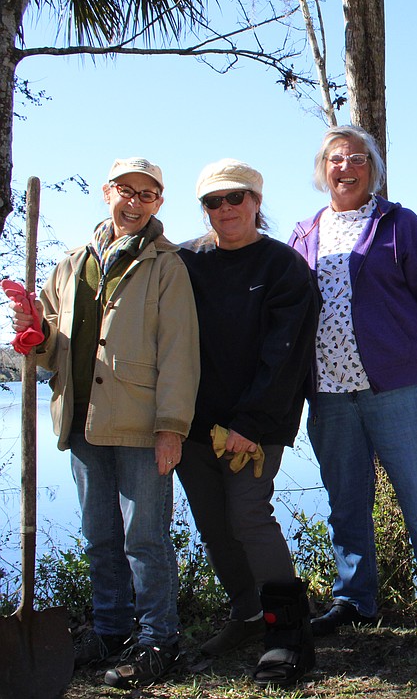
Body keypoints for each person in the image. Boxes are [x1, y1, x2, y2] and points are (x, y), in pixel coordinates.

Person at [288, 125, 417, 660]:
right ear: (321, 170)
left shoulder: (398, 225)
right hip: (327, 393)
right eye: (334, 159)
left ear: (372, 169)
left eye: (356, 159)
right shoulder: (304, 234)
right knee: (346, 504)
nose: (344, 168)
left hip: (398, 387)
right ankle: (355, 600)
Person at [8, 158, 199, 688]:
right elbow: (51, 345)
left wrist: (171, 427)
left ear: (159, 202)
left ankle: (161, 638)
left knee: (145, 538)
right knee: (99, 536)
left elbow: (180, 353)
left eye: (147, 194)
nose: (133, 203)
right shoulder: (71, 264)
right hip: (82, 423)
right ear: (105, 192)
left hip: (142, 426)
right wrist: (33, 333)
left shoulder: (167, 266)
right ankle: (112, 629)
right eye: (125, 191)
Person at [176, 159, 319, 685]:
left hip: (257, 423)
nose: (226, 209)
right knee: (213, 523)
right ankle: (247, 614)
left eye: (236, 198)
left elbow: (287, 353)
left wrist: (251, 422)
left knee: (248, 514)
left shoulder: (283, 267)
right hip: (192, 423)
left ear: (257, 202)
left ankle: (287, 632)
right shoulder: (185, 261)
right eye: (214, 201)